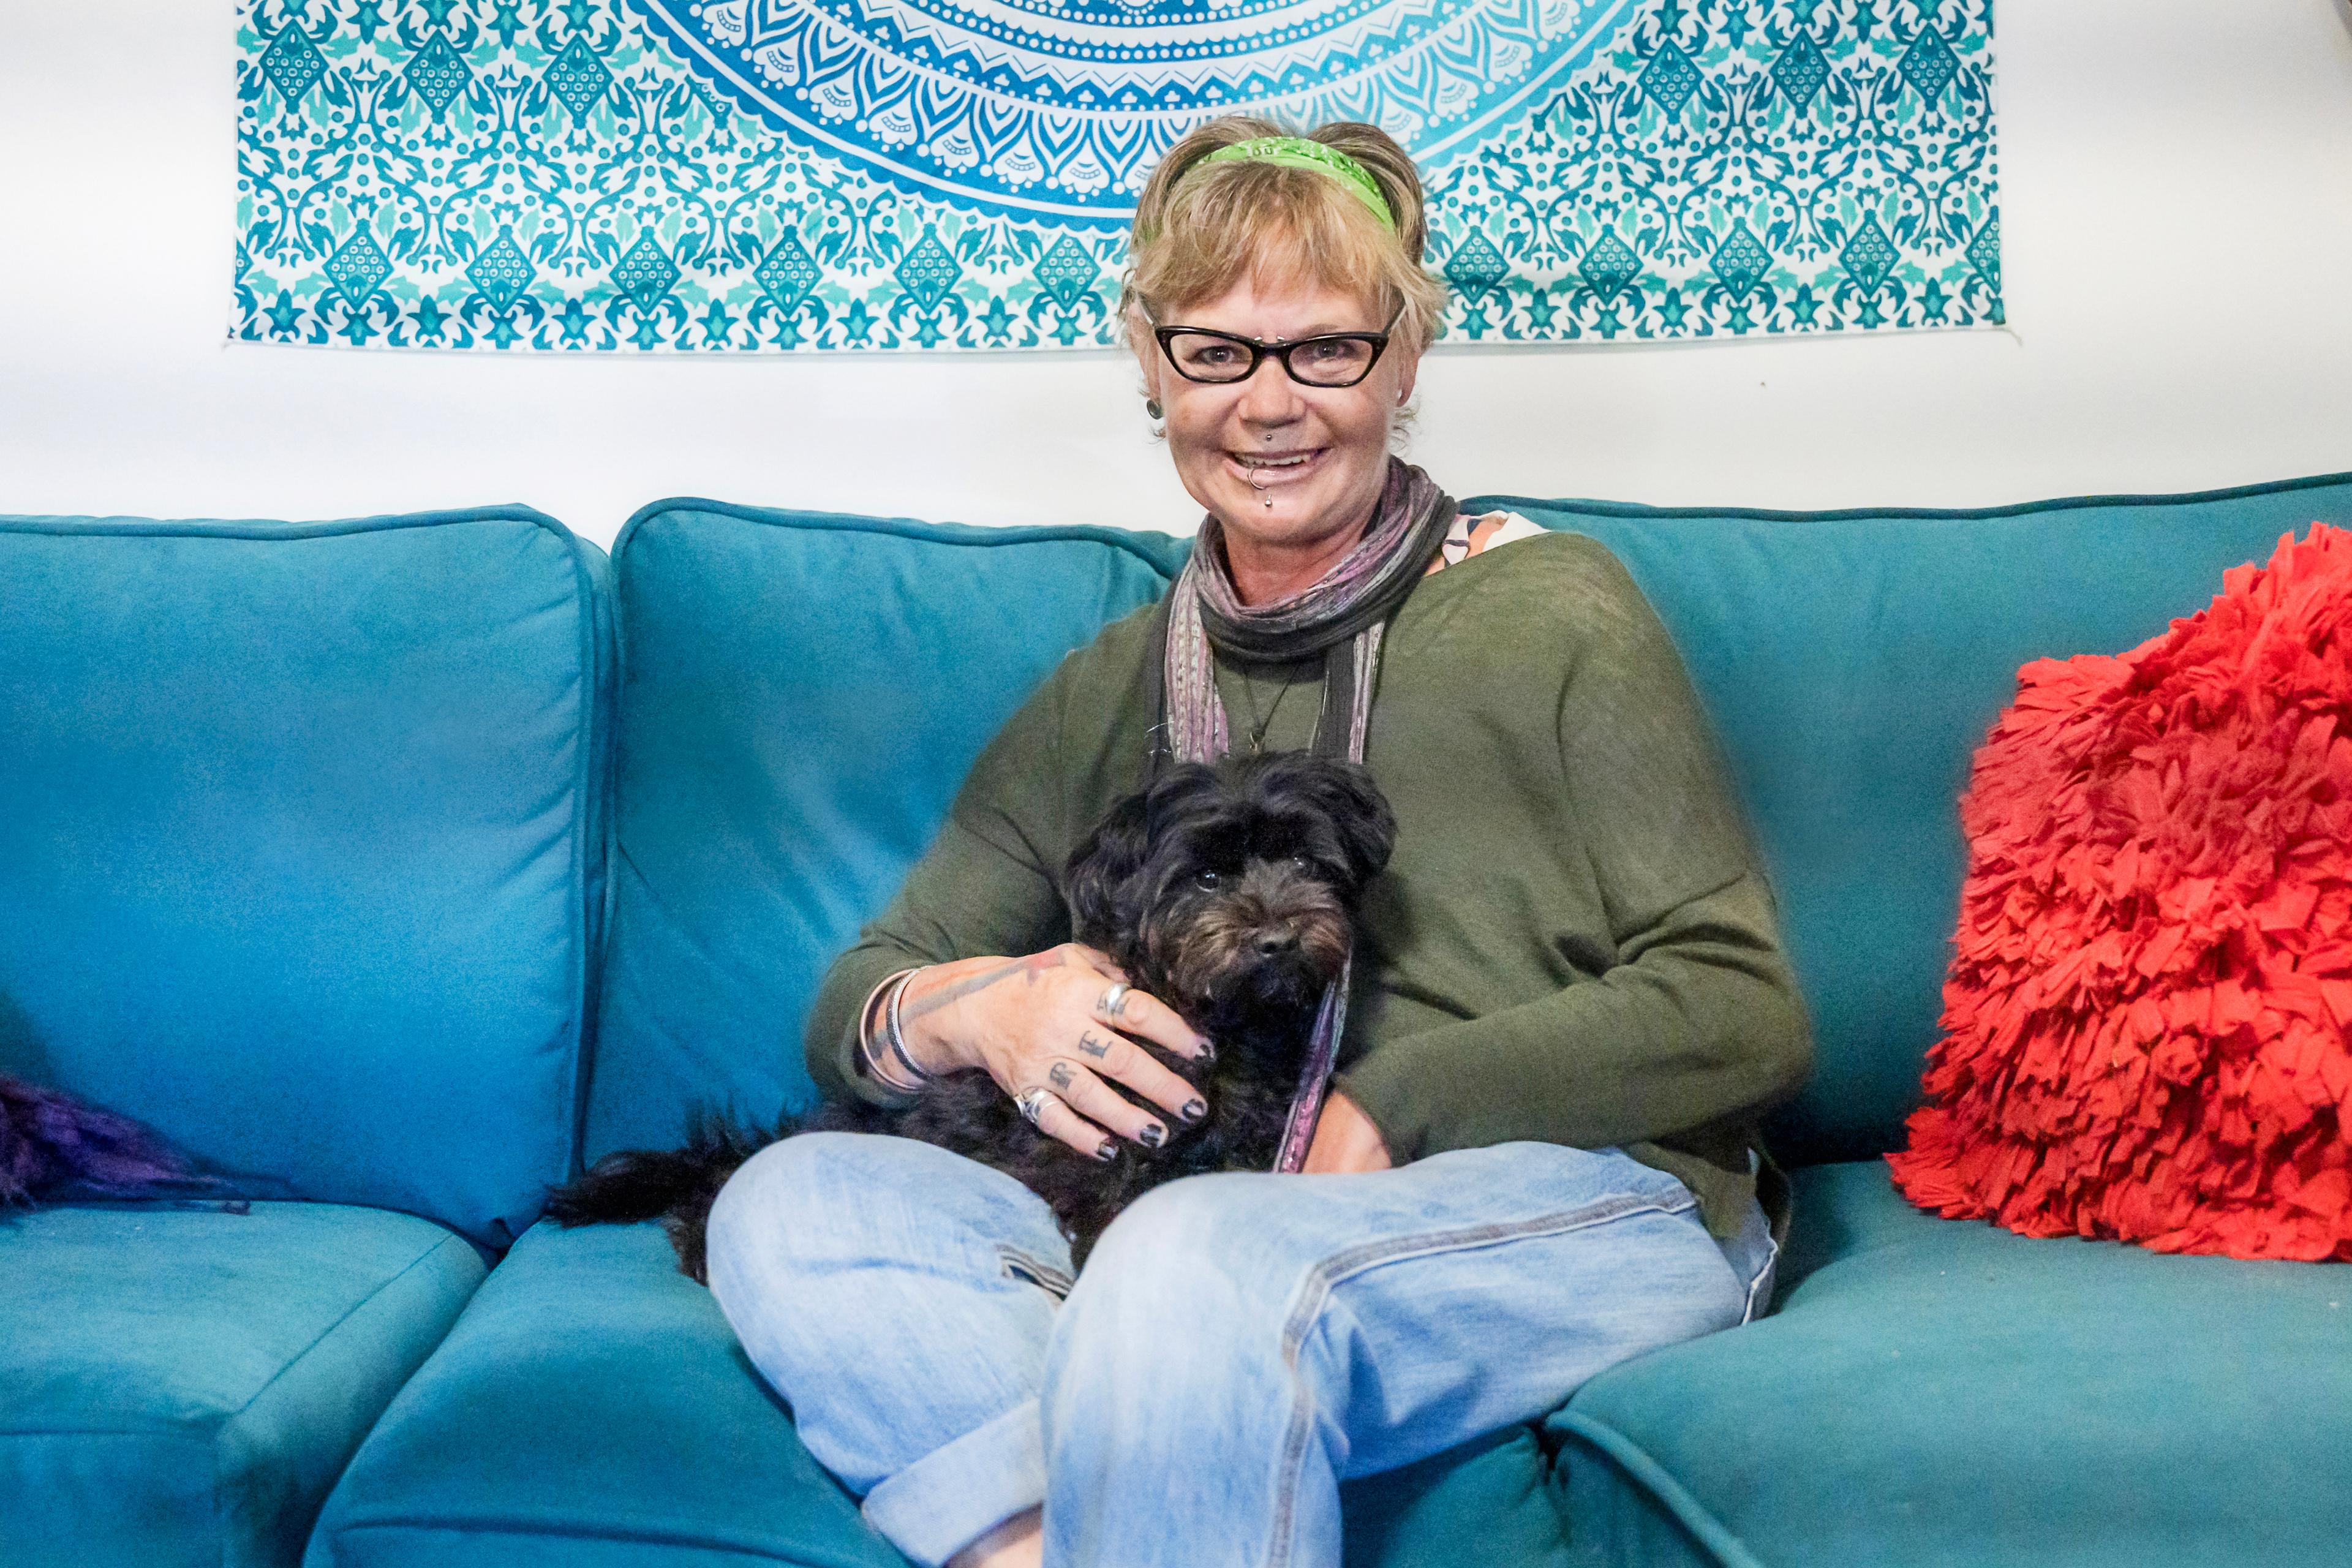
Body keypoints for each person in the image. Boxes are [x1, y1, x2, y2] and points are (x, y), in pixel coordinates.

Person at [703, 116, 1813, 1568]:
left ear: (1404, 362)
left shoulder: (1558, 609)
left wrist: (1394, 1102)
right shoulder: (1106, 687)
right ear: (1156, 372)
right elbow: (859, 1002)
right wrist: (995, 1003)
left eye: (1327, 350)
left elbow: (1746, 1005)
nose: (1270, 403)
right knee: (789, 1199)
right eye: (1217, 351)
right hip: (1217, 1215)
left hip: (1584, 1193)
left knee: (1189, 1251)